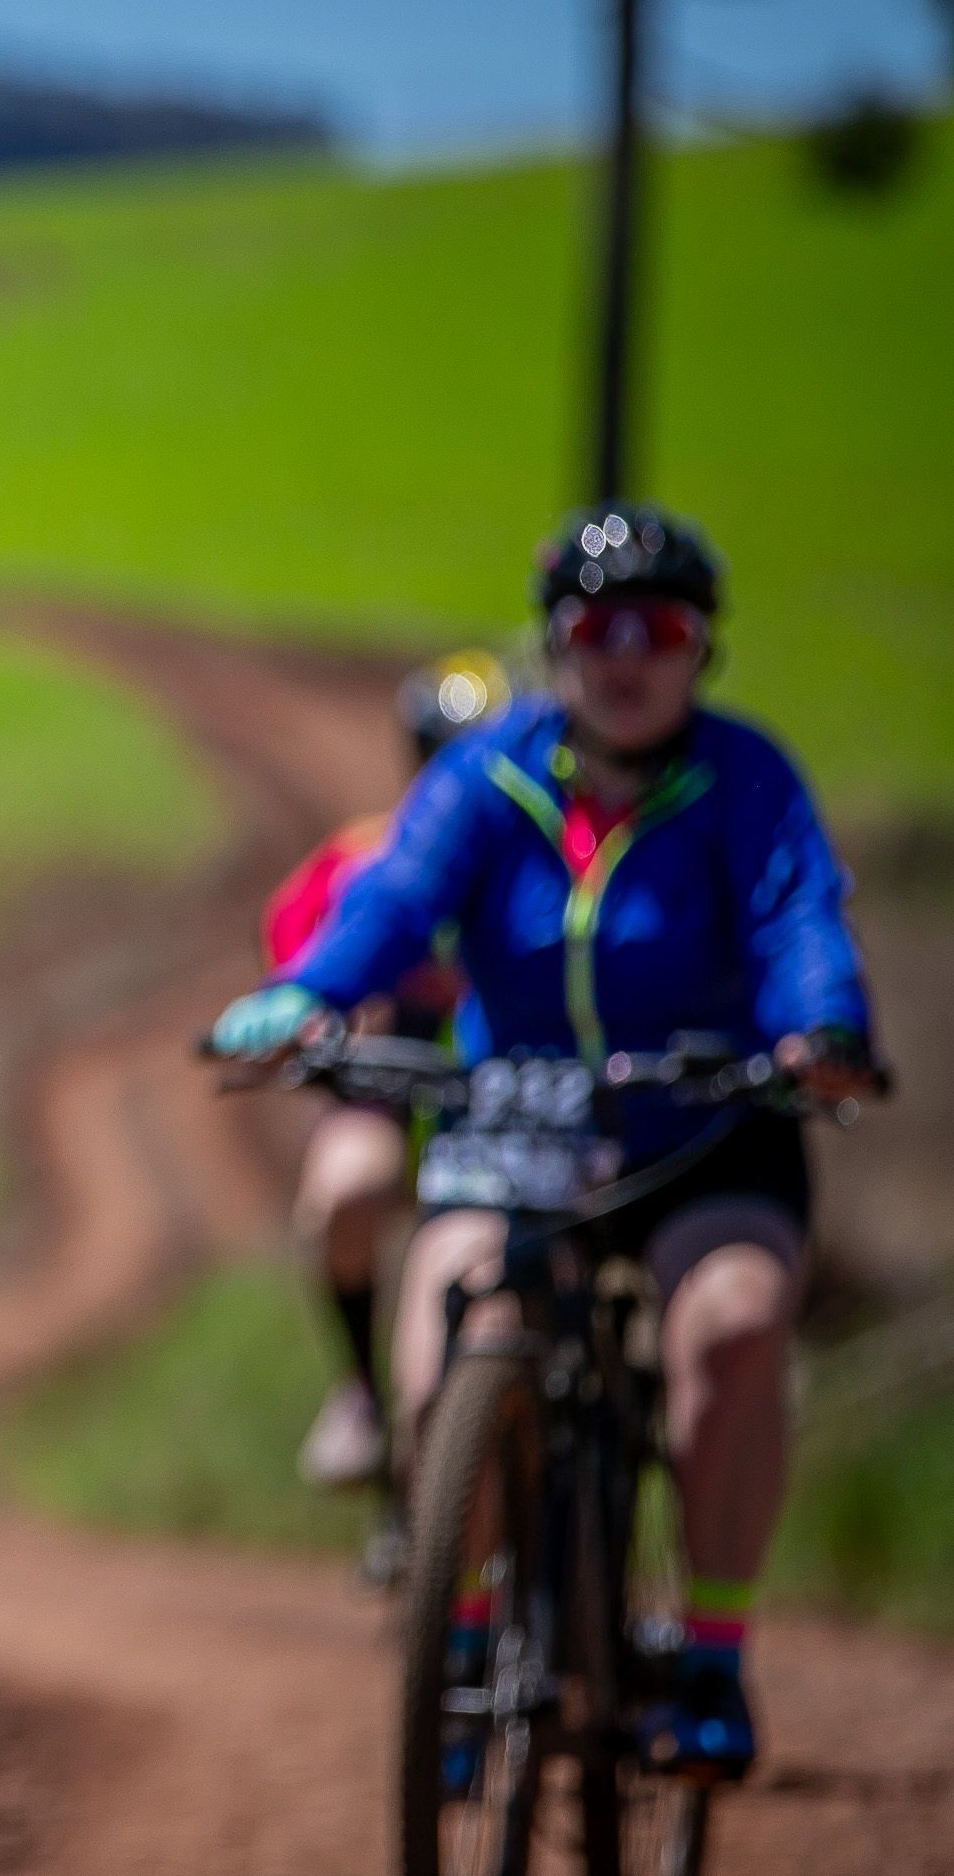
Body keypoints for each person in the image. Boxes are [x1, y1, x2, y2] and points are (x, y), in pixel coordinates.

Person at [211, 504, 879, 1783]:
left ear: (701, 649)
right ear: (556, 641)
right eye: (597, 627)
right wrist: (309, 991)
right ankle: (462, 1641)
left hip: (702, 1127)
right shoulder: (486, 775)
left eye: (659, 630)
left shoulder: (747, 779)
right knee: (441, 1347)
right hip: (515, 1121)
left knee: (732, 1327)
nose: (626, 657)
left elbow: (799, 917)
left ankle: (712, 1657)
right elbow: (399, 896)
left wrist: (822, 1025)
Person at [269, 651, 509, 1501]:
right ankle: (360, 1392)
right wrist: (307, 1021)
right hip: (389, 1078)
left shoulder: (545, 861)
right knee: (343, 1192)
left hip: (510, 1089)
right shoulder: (360, 857)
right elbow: (294, 951)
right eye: (440, 752)